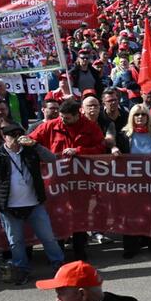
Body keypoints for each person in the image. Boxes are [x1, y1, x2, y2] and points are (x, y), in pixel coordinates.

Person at [0, 121, 65, 284]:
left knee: (48, 238)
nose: (16, 138)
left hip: (34, 204)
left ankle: (59, 266)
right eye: (12, 135)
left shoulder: (30, 150)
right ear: (4, 137)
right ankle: (22, 270)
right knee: (16, 242)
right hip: (9, 207)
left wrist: (35, 144)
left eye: (19, 134)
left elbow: (52, 158)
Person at [29, 99, 106, 260]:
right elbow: (32, 141)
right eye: (61, 116)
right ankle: (59, 251)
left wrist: (79, 150)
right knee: (57, 215)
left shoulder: (90, 127)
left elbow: (100, 148)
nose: (63, 120)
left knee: (80, 214)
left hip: (81, 181)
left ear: (77, 114)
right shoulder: (50, 125)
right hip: (57, 182)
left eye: (67, 117)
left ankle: (80, 249)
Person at [113, 105, 151, 258]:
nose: (140, 117)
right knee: (130, 214)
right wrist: (114, 150)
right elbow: (117, 153)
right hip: (131, 182)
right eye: (137, 115)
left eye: (143, 114)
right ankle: (131, 247)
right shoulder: (124, 135)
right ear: (132, 117)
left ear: (148, 117)